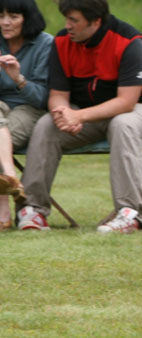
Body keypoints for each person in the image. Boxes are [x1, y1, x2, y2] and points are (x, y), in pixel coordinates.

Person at [15, 0, 142, 232]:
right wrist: (63, 113)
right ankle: (33, 210)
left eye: (74, 20)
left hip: (141, 109)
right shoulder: (62, 41)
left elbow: (126, 102)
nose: (67, 26)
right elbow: (58, 95)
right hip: (89, 114)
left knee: (123, 124)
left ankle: (130, 214)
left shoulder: (130, 41)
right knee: (47, 125)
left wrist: (79, 116)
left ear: (95, 22)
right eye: (66, 19)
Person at [0, 0, 52, 231]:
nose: (5, 22)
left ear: (27, 18)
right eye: (0, 16)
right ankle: (10, 176)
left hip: (29, 108)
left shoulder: (45, 44)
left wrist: (18, 78)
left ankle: (2, 212)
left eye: (13, 16)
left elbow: (42, 98)